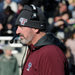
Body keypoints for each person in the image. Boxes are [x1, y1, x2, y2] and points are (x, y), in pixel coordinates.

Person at [15, 4, 69, 75]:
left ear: (35, 28)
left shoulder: (50, 53)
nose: (17, 31)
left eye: (21, 27)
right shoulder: (33, 48)